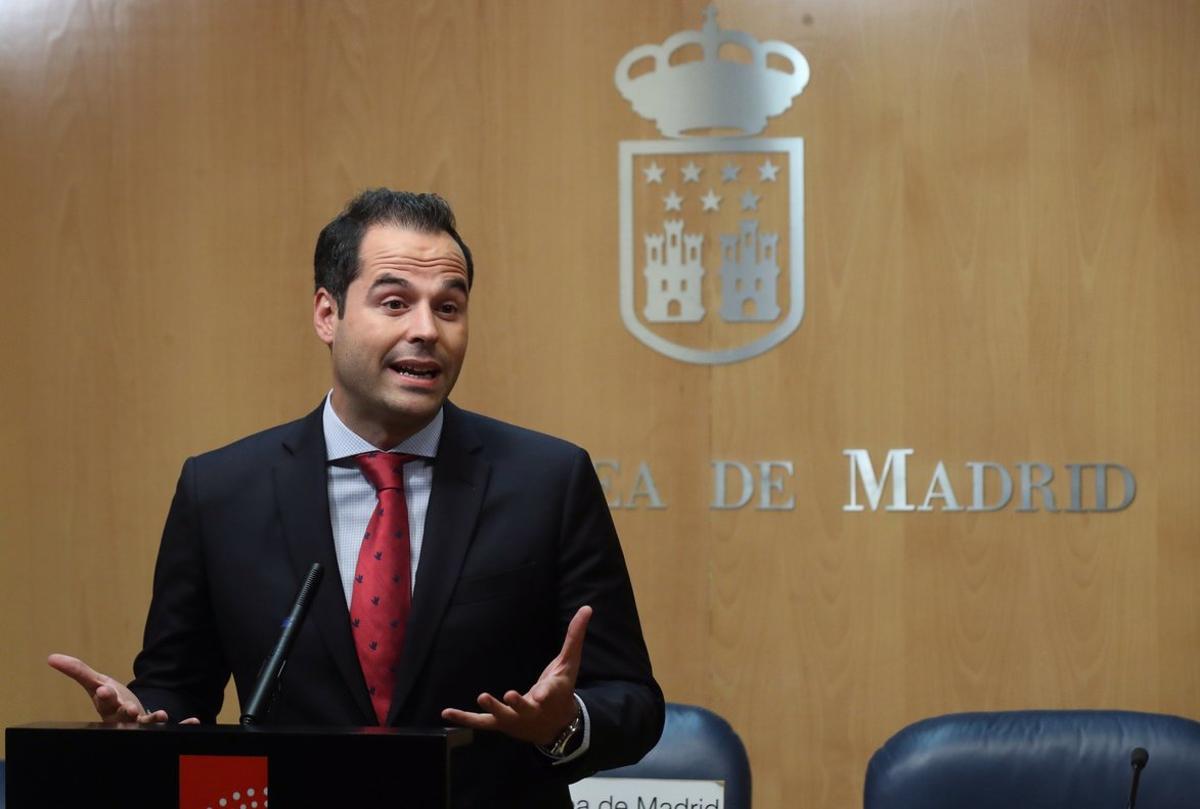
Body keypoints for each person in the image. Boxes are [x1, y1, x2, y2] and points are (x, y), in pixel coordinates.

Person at [49, 189, 664, 808]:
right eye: (395, 303)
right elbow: (177, 688)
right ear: (327, 313)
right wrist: (142, 727)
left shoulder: (547, 481)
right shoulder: (221, 491)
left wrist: (561, 725)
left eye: (448, 307)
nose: (426, 330)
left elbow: (632, 700)